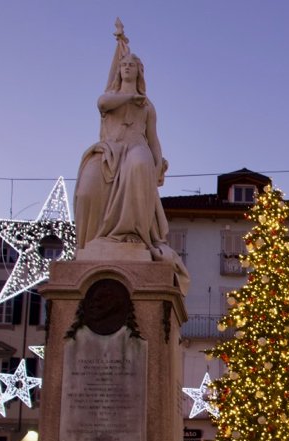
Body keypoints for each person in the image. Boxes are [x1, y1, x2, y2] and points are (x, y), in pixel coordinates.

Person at [74, 19, 189, 294]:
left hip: (137, 146)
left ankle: (130, 233)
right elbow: (102, 104)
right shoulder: (111, 98)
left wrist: (159, 162)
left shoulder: (147, 106)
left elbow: (153, 139)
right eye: (124, 65)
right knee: (86, 191)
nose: (127, 67)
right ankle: (92, 242)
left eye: (132, 65)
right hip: (110, 150)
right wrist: (128, 98)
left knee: (140, 165)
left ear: (139, 72)